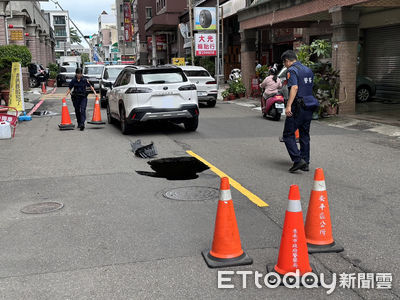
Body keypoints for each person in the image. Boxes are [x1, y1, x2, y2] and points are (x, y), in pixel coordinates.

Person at [281, 50, 319, 173]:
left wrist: (288, 106)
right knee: (304, 134)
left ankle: (298, 160)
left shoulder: (292, 70)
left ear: (287, 60)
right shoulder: (308, 70)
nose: (285, 65)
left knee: (288, 134)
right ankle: (305, 162)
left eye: (284, 63)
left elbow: (294, 87)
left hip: (298, 106)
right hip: (310, 105)